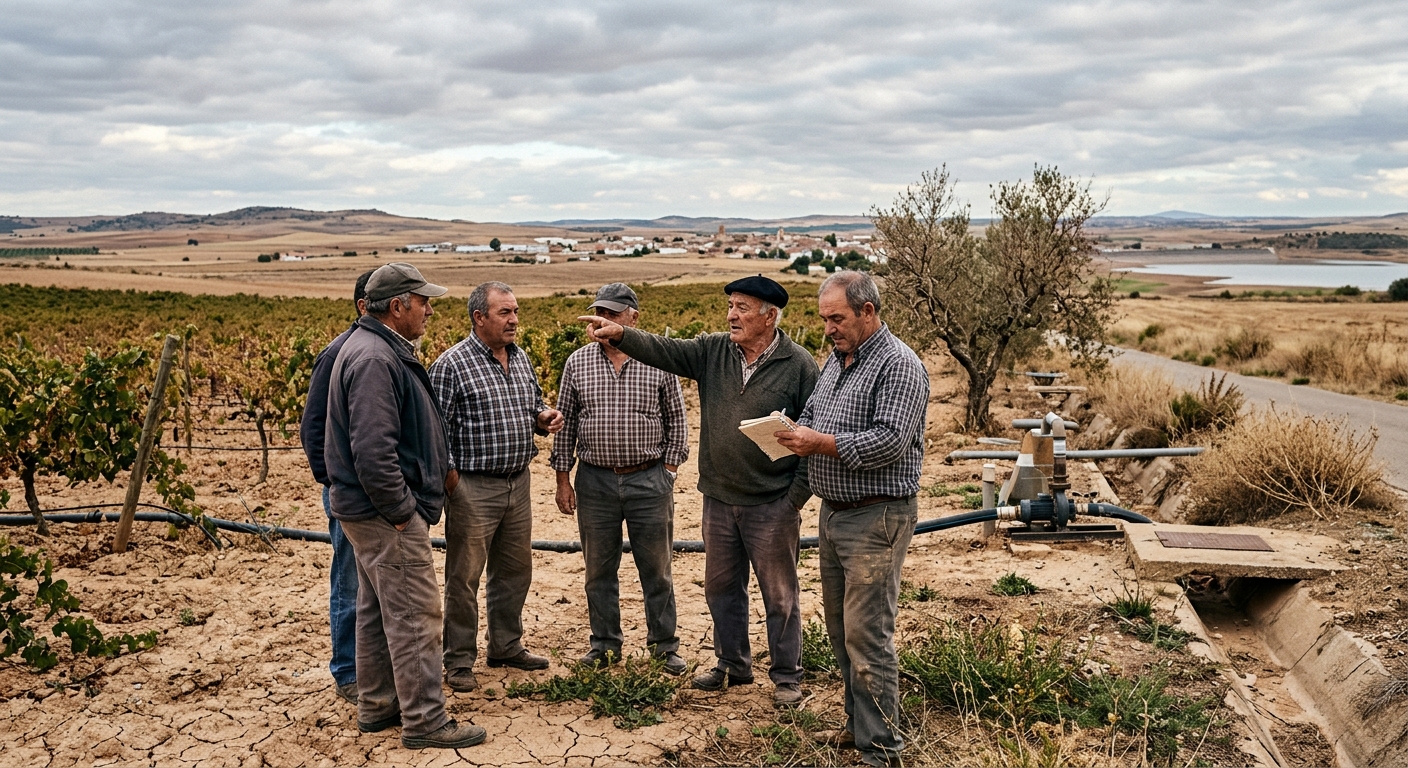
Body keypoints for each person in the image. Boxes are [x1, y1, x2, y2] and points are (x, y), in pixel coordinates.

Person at [580, 275, 817, 708]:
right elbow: (665, 350)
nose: (731, 315)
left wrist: (794, 499)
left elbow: (815, 433)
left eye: (742, 308)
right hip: (719, 499)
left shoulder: (799, 364)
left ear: (769, 316)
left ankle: (787, 677)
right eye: (730, 306)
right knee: (721, 588)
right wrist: (622, 334)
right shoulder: (713, 351)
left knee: (779, 595)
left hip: (772, 502)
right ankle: (733, 664)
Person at [325, 262, 486, 750]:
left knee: (376, 610)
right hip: (383, 514)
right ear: (397, 306)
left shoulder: (370, 346)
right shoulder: (376, 358)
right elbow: (374, 451)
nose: (430, 310)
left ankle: (377, 706)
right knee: (415, 615)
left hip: (364, 510)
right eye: (423, 302)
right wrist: (400, 511)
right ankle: (425, 720)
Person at [775, 271, 928, 768]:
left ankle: (881, 749)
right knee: (842, 632)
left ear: (868, 311)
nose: (828, 329)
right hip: (836, 515)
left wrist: (819, 443)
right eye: (824, 319)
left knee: (868, 636)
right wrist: (794, 431)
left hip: (876, 517)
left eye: (837, 318)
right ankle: (858, 726)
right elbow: (816, 414)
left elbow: (890, 441)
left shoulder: (899, 365)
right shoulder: (838, 361)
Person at [431, 281, 564, 693]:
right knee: (464, 578)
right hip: (473, 487)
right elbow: (434, 430)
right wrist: (452, 480)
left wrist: (542, 418)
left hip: (517, 482)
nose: (514, 320)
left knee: (514, 571)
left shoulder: (520, 358)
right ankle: (458, 660)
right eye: (505, 312)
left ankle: (505, 646)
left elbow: (531, 405)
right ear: (479, 317)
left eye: (516, 311)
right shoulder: (451, 365)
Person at [551, 283, 689, 675]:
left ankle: (664, 647)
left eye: (611, 313)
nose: (602, 320)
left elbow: (677, 421)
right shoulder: (578, 362)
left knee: (657, 570)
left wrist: (668, 471)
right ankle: (605, 645)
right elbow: (566, 423)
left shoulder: (658, 360)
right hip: (594, 482)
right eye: (599, 312)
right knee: (598, 571)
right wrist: (563, 479)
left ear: (633, 318)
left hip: (649, 479)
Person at [299, 268, 374, 705]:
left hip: (373, 489)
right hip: (350, 492)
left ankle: (369, 667)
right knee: (349, 581)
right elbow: (313, 429)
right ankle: (348, 671)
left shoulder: (380, 349)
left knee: (370, 583)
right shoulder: (339, 353)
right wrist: (334, 482)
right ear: (365, 305)